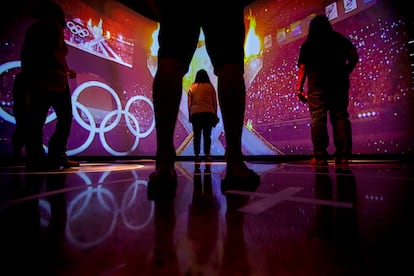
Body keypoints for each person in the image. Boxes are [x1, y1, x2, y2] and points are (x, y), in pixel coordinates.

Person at [148, 0, 260, 186]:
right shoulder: (207, 87)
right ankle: (234, 161)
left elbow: (191, 100)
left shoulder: (194, 87)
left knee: (171, 60)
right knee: (229, 62)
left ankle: (164, 163)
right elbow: (214, 101)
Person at [20, 0, 79, 170]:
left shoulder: (34, 28)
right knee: (65, 117)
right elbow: (55, 52)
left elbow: (28, 55)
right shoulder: (54, 28)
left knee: (36, 119)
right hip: (54, 80)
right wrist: (68, 71)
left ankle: (35, 156)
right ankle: (57, 154)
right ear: (57, 14)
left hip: (36, 79)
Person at [296, 14, 359, 168]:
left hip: (317, 85)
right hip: (338, 82)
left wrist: (299, 89)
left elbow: (303, 68)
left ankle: (320, 156)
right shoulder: (338, 39)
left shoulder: (308, 44)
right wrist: (345, 71)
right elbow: (354, 56)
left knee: (318, 118)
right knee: (340, 117)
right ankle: (343, 156)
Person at [188, 69, 218, 162]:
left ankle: (197, 155)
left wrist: (190, 115)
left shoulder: (192, 87)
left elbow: (189, 103)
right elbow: (214, 103)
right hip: (208, 113)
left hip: (196, 114)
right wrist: (215, 115)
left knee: (197, 136)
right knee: (207, 135)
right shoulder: (210, 87)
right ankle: (207, 154)